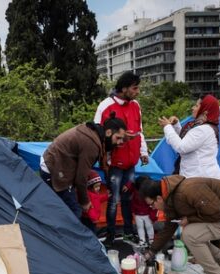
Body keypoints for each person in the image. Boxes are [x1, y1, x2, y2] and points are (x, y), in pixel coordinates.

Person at [139, 175, 220, 274]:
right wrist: (151, 252)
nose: (152, 208)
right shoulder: (170, 198)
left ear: (159, 198)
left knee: (190, 235)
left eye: (151, 204)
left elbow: (217, 213)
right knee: (193, 234)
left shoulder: (188, 190)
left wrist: (189, 219)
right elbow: (168, 229)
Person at [94, 71, 149, 245]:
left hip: (131, 163)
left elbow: (140, 130)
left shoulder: (136, 105)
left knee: (128, 198)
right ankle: (110, 237)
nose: (137, 91)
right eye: (135, 88)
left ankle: (127, 232)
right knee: (113, 200)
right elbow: (98, 136)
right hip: (114, 165)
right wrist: (105, 162)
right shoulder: (105, 106)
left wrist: (143, 152)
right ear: (124, 88)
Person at [41, 115, 127, 220]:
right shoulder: (92, 144)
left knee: (62, 209)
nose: (120, 142)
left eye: (122, 139)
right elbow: (81, 178)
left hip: (54, 163)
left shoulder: (94, 133)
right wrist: (85, 202)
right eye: (118, 138)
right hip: (54, 169)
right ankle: (66, 235)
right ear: (108, 132)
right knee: (74, 211)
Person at [158, 94, 220, 179]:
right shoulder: (206, 127)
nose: (193, 108)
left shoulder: (202, 130)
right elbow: (188, 141)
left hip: (200, 180)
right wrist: (176, 126)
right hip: (203, 177)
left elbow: (181, 147)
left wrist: (167, 127)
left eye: (196, 106)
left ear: (205, 110)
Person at [123, 176, 157, 247]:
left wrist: (153, 217)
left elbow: (154, 206)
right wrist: (127, 185)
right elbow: (131, 183)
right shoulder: (136, 189)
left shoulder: (149, 192)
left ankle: (151, 240)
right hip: (138, 214)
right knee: (140, 228)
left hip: (147, 214)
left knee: (149, 227)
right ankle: (142, 241)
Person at [80, 170, 108, 235]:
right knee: (91, 232)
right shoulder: (88, 194)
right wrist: (93, 218)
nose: (98, 188)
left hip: (94, 218)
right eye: (96, 186)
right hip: (89, 218)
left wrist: (107, 196)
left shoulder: (95, 193)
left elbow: (99, 199)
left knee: (91, 231)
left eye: (99, 186)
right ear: (90, 186)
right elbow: (90, 208)